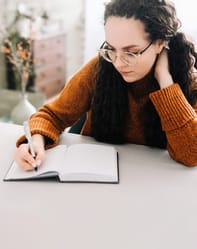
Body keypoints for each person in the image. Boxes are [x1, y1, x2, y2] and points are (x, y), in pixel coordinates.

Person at [15, 0, 197, 170]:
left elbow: (191, 154)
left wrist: (165, 81)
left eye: (131, 52)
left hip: (153, 187)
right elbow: (52, 115)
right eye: (111, 49)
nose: (118, 63)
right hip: (94, 177)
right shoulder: (99, 69)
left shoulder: (189, 83)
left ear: (159, 43)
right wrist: (36, 141)